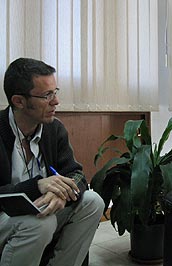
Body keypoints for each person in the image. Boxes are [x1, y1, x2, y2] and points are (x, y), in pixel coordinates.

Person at [0, 58, 105, 266]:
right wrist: (37, 185)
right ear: (19, 101)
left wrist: (63, 195)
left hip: (40, 212)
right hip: (5, 215)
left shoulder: (54, 129)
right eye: (47, 95)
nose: (55, 102)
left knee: (93, 202)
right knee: (40, 224)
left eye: (55, 92)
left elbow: (76, 174)